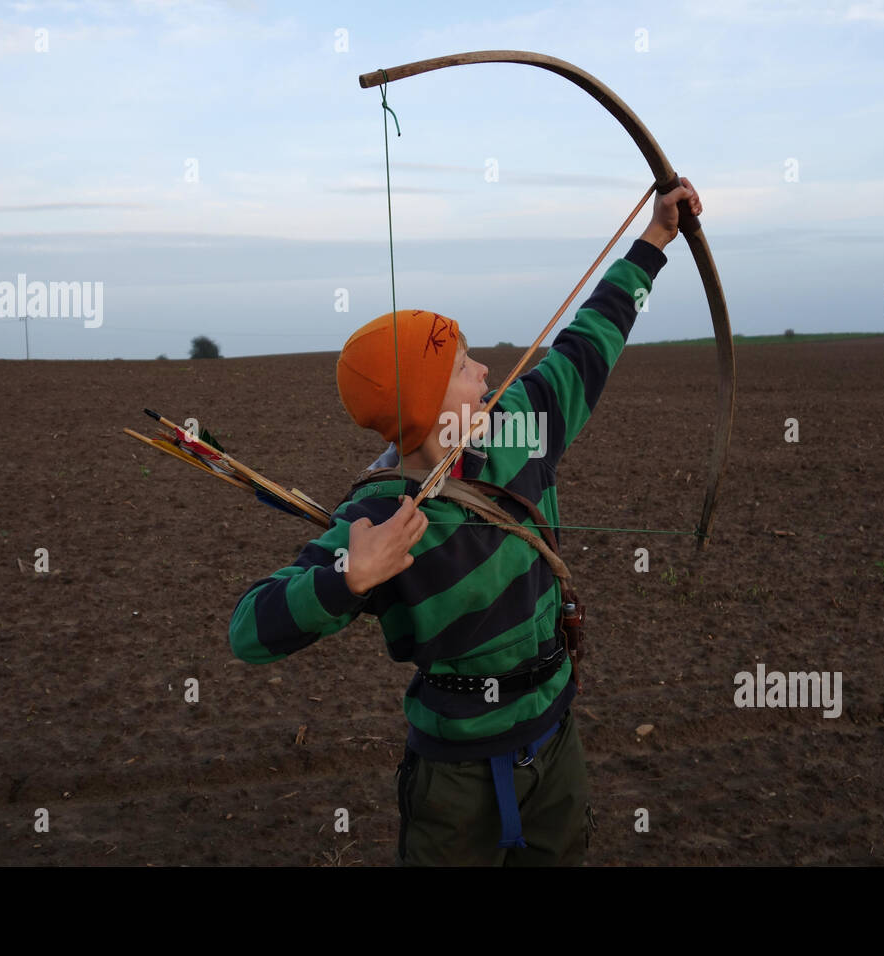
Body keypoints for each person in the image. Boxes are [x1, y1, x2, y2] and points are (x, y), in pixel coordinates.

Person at [229, 178, 703, 865]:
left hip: (553, 744)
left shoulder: (522, 431)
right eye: (460, 368)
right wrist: (347, 578)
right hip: (451, 781)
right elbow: (249, 630)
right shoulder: (378, 517)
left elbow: (589, 340)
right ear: (423, 408)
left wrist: (656, 239)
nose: (485, 372)